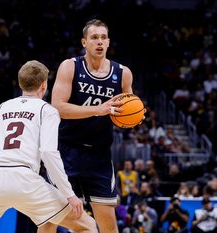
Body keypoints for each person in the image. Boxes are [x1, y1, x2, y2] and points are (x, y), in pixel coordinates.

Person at [0, 60, 97, 233]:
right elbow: (48, 153)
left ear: (20, 84)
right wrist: (69, 194)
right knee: (87, 225)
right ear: (44, 85)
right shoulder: (47, 110)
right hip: (26, 181)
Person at [50, 18, 135, 233]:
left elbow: (127, 112)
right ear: (84, 42)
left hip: (99, 156)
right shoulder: (70, 67)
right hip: (66, 151)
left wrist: (131, 118)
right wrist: (98, 110)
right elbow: (57, 108)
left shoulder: (123, 73)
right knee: (50, 219)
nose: (99, 42)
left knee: (108, 225)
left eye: (103, 37)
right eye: (94, 37)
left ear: (108, 42)